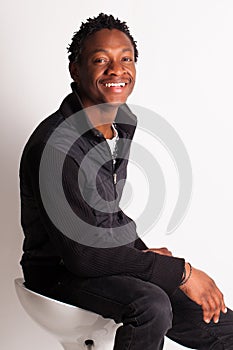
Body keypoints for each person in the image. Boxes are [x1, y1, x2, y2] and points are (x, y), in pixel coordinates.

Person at [19, 13, 233, 350]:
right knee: (151, 305)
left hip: (98, 259)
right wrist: (180, 272)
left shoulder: (121, 124)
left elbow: (106, 215)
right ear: (75, 69)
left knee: (219, 321)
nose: (117, 70)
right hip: (56, 271)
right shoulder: (55, 148)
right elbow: (83, 256)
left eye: (126, 59)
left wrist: (143, 255)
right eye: (101, 60)